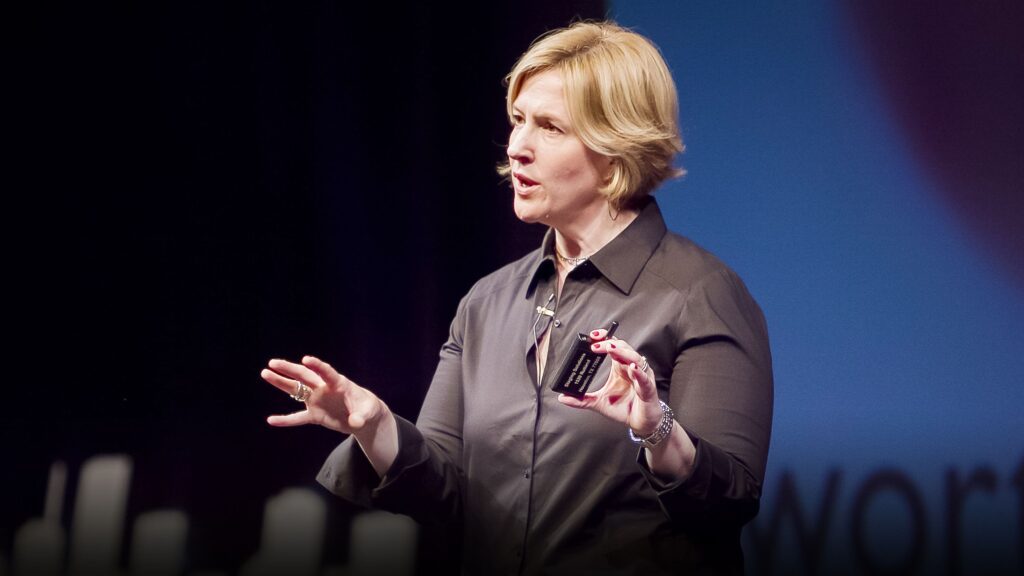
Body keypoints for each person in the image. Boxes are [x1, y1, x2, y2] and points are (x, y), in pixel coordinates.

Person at [260, 20, 773, 575]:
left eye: (550, 127)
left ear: (616, 148)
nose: (518, 147)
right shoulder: (487, 302)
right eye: (518, 120)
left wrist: (656, 429)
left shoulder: (700, 295)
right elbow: (446, 496)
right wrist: (375, 425)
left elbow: (729, 503)